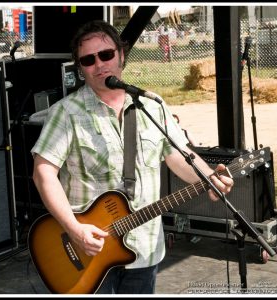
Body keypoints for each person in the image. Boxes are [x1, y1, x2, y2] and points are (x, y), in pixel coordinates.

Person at [31, 20, 234, 294]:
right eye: (88, 60)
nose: (99, 65)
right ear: (80, 69)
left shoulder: (152, 104)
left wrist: (209, 177)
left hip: (144, 248)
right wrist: (74, 229)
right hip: (86, 249)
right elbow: (43, 173)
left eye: (106, 55)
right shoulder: (66, 113)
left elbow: (179, 155)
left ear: (122, 55)